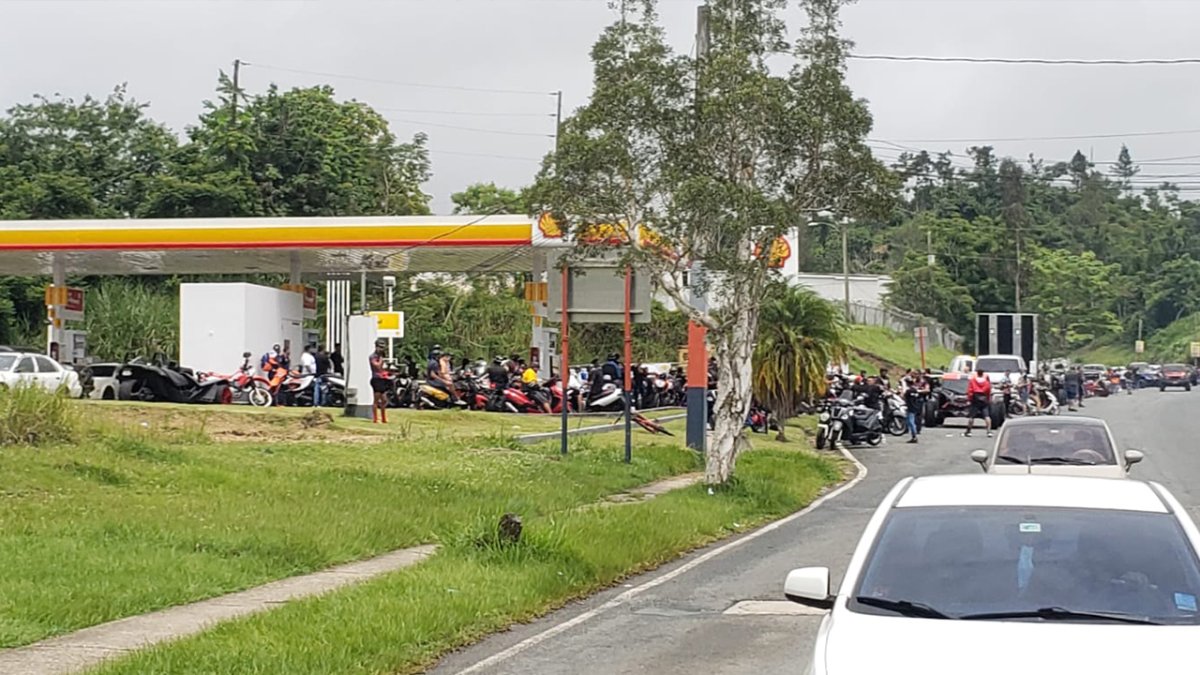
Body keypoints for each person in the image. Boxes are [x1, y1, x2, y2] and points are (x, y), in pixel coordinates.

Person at [964, 368, 993, 438]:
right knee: (987, 416)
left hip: (975, 399)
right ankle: (989, 431)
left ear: (977, 373)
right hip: (984, 399)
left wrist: (969, 399)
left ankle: (968, 431)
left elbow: (970, 391)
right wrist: (988, 399)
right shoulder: (986, 382)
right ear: (983, 374)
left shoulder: (973, 381)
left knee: (972, 416)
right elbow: (988, 391)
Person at [369, 340, 391, 423]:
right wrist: (381, 359)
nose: (381, 349)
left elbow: (382, 368)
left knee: (384, 400)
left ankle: (383, 418)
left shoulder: (381, 357)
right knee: (376, 400)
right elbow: (377, 366)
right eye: (380, 347)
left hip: (382, 379)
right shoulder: (373, 356)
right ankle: (375, 418)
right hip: (376, 379)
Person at [902, 374, 923, 444]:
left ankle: (914, 436)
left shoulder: (908, 391)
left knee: (911, 422)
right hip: (915, 406)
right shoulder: (915, 390)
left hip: (910, 407)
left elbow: (903, 396)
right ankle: (914, 435)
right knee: (909, 421)